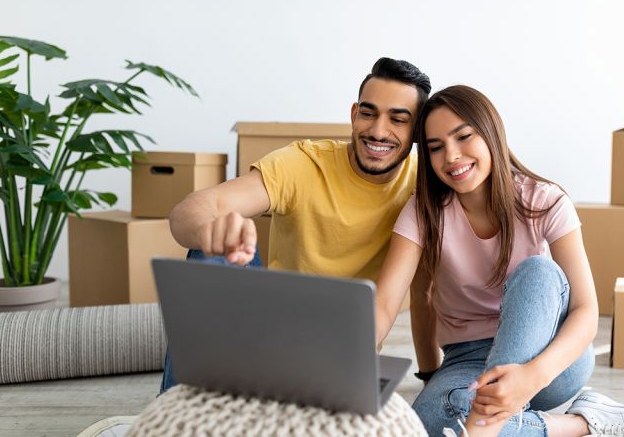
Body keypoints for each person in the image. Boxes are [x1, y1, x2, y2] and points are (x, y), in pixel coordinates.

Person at [373, 85, 624, 437]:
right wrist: (430, 377)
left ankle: (484, 425)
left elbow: (585, 310)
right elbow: (388, 304)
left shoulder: (544, 201)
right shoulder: (422, 211)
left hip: (550, 358)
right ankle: (581, 423)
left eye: (464, 137)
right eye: (436, 148)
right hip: (468, 359)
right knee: (430, 419)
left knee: (538, 271)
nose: (452, 156)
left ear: (491, 132)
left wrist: (530, 376)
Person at [161, 57, 431, 392]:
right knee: (211, 255)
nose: (377, 130)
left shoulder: (424, 187)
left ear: (417, 129)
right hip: (264, 330)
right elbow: (194, 208)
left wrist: (431, 374)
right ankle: (177, 417)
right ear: (353, 114)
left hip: (339, 352)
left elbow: (416, 296)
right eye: (368, 113)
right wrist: (210, 232)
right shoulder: (304, 163)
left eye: (398, 119)